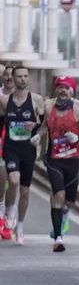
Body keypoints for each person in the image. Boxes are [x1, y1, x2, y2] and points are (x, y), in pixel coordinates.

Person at [43, 77, 79, 253]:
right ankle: (58, 238)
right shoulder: (48, 107)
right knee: (59, 194)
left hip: (71, 159)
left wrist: (78, 137)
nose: (63, 90)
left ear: (72, 91)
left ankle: (64, 215)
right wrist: (36, 136)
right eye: (60, 87)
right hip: (53, 158)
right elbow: (43, 126)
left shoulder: (78, 111)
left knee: (68, 201)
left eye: (67, 88)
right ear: (56, 90)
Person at [3, 64, 46, 243]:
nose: (23, 79)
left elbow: (45, 124)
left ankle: (20, 224)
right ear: (12, 78)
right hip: (11, 148)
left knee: (25, 190)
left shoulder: (36, 100)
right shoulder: (5, 101)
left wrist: (36, 130)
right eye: (19, 76)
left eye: (26, 76)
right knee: (13, 180)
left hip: (28, 149)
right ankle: (10, 208)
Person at [0, 64, 14, 240]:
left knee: (15, 180)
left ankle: (10, 212)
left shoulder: (27, 98)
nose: (9, 77)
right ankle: (2, 208)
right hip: (2, 141)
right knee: (2, 178)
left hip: (19, 144)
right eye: (6, 74)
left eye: (13, 74)